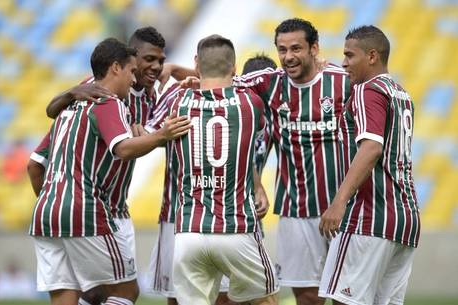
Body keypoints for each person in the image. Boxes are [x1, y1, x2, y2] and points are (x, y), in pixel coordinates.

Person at [158, 19, 350, 305]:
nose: (288, 56)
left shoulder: (342, 81)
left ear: (314, 48)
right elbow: (221, 78)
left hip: (343, 207)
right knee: (307, 296)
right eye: (282, 50)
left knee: (347, 296)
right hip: (295, 209)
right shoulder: (269, 83)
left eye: (296, 48)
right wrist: (188, 75)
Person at [27, 37, 190, 305]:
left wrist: (55, 203)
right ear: (116, 68)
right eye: (131, 71)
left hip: (46, 210)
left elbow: (33, 165)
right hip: (86, 208)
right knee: (125, 291)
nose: (134, 78)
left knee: (65, 293)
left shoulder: (72, 104)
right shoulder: (109, 101)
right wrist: (163, 134)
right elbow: (123, 149)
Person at [167, 34, 278, 305]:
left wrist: (195, 79)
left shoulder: (178, 104)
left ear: (196, 63)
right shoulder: (250, 104)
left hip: (189, 231)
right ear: (234, 67)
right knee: (266, 299)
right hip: (235, 227)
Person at [318, 25, 421, 305]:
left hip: (370, 216)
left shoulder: (367, 89)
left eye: (350, 55)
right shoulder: (400, 93)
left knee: (344, 300)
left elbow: (372, 147)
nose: (344, 62)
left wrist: (339, 202)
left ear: (372, 56)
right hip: (405, 219)